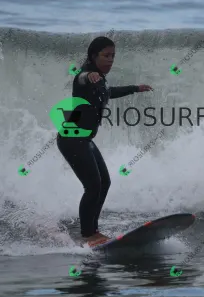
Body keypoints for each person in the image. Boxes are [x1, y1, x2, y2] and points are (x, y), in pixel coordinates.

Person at [57, 36, 152, 247]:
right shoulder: (85, 76)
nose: (110, 60)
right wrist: (88, 74)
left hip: (84, 139)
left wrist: (135, 88)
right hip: (72, 138)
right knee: (92, 185)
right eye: (106, 55)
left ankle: (93, 230)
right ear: (93, 56)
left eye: (113, 56)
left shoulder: (100, 80)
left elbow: (109, 92)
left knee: (104, 182)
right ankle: (88, 234)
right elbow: (81, 78)